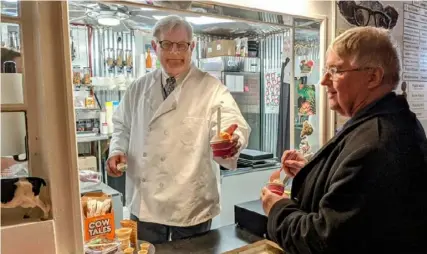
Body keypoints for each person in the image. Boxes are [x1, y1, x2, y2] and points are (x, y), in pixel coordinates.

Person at [261, 26, 427, 254]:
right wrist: (313, 174)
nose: (323, 81)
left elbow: (324, 240)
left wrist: (277, 209)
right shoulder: (385, 122)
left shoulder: (376, 143)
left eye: (335, 70)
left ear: (373, 76)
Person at [107, 15, 250, 244]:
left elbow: (230, 121)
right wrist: (117, 150)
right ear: (155, 46)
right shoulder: (138, 88)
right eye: (167, 44)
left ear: (192, 47)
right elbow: (121, 125)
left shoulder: (211, 88)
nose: (175, 52)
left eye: (182, 45)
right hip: (146, 203)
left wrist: (231, 139)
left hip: (190, 202)